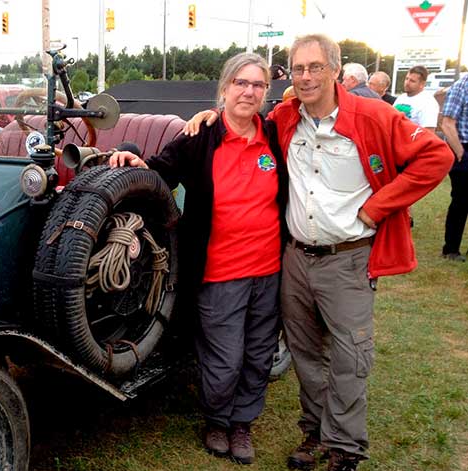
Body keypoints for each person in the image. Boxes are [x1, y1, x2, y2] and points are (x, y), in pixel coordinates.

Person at [182, 34, 452, 471]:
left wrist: (378, 207)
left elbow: (435, 156)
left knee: (349, 356)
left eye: (315, 67)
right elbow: (241, 113)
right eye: (299, 68)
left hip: (347, 257)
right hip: (293, 258)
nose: (306, 77)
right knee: (305, 354)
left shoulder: (373, 115)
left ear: (335, 69)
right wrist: (210, 114)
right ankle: (314, 434)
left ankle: (345, 448)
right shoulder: (286, 117)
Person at [111, 52, 287, 466]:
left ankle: (242, 423)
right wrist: (128, 157)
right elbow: (158, 172)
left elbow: (305, 98)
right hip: (220, 269)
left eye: (258, 85)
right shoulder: (199, 137)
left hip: (270, 269)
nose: (249, 91)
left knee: (259, 352)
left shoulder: (275, 136)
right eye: (240, 83)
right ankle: (217, 421)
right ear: (224, 89)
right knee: (224, 356)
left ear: (266, 92)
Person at [440, 73, 468, 261]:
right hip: (464, 148)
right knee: (461, 202)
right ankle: (451, 249)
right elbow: (447, 123)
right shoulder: (462, 86)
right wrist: (460, 153)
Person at [394, 65, 440, 131]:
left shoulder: (428, 103)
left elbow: (428, 132)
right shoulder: (401, 98)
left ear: (422, 84)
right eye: (406, 79)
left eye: (412, 81)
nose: (407, 83)